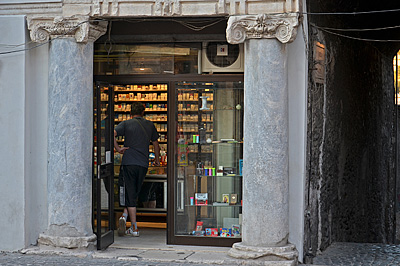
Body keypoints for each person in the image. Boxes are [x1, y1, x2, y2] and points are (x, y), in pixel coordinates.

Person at [114, 102, 160, 237]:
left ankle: (134, 227)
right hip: (143, 164)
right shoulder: (150, 125)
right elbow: (156, 144)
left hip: (128, 162)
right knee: (133, 192)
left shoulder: (126, 124)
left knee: (130, 192)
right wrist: (156, 160)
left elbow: (111, 133)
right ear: (143, 113)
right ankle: (124, 216)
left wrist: (118, 148)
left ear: (130, 113)